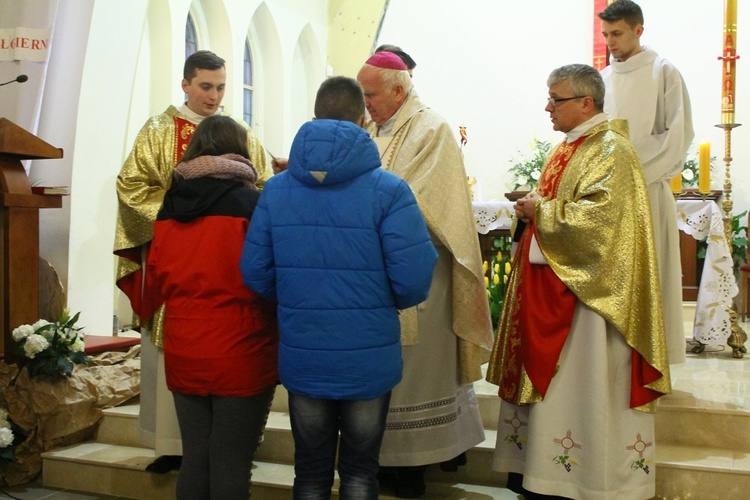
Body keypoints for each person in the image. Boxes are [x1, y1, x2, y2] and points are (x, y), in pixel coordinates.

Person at [240, 75, 438, 499]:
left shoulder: (275, 192)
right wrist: (383, 303)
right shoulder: (389, 191)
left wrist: (297, 297)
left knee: (309, 473)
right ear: (363, 119)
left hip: (304, 349)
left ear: (314, 116)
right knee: (361, 473)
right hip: (368, 354)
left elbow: (255, 272)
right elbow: (414, 277)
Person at [486, 63, 671, 500]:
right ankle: (539, 475)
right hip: (553, 287)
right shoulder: (569, 147)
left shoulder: (612, 150)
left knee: (583, 384)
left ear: (586, 103)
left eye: (557, 99)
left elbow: (604, 223)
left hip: (591, 305)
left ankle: (584, 479)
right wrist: (534, 209)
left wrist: (541, 212)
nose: (547, 107)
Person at [113, 49, 280, 473]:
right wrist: (178, 216)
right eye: (206, 86)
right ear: (186, 84)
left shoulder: (239, 131)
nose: (214, 95)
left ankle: (229, 448)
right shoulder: (158, 129)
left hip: (219, 268)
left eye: (222, 87)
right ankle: (172, 446)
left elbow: (262, 186)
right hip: (180, 263)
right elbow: (132, 186)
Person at [356, 51, 494, 498]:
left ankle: (415, 462)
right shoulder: (368, 126)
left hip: (420, 273)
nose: (366, 102)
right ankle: (383, 459)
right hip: (370, 272)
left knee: (418, 372)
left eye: (371, 93)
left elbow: (415, 199)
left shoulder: (430, 128)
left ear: (398, 90)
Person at [141, 115, 278, 499]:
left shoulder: (169, 207)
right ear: (241, 149)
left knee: (197, 457)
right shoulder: (253, 203)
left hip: (185, 345)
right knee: (231, 461)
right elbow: (268, 275)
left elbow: (157, 276)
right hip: (241, 345)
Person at [599, 0, 694, 364]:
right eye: (607, 35)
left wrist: (633, 174)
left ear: (639, 30)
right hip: (609, 194)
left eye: (618, 33)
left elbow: (678, 133)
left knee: (650, 271)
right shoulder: (605, 79)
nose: (611, 42)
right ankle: (615, 353)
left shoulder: (663, 72)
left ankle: (652, 356)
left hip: (647, 190)